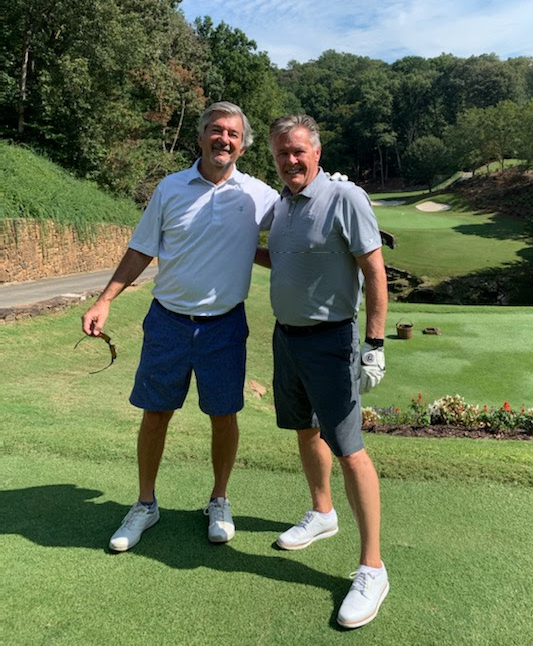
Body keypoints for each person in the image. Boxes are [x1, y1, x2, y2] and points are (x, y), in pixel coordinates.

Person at [81, 101, 279, 552]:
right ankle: (145, 504)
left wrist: (338, 193)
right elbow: (141, 249)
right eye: (216, 130)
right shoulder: (170, 188)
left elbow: (299, 227)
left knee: (223, 416)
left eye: (232, 133)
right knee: (156, 414)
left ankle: (219, 499)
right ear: (201, 137)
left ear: (243, 145)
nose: (223, 139)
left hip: (224, 326)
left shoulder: (259, 195)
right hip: (168, 321)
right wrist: (104, 300)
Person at [266, 114, 389, 629]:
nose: (290, 160)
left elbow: (374, 271)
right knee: (305, 428)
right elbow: (285, 258)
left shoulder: (345, 197)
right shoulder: (282, 206)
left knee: (350, 450)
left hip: (332, 340)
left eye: (298, 151)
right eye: (281, 153)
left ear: (316, 152)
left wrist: (374, 344)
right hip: (287, 338)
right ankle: (322, 512)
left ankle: (373, 568)